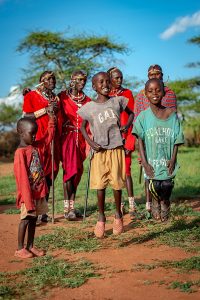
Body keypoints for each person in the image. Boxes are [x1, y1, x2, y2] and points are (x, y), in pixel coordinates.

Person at [78, 72, 134, 238]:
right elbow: (82, 127)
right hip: (99, 151)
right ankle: (101, 217)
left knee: (117, 184)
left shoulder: (117, 101)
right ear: (94, 87)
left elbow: (131, 113)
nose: (105, 84)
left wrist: (126, 126)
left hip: (116, 149)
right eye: (101, 82)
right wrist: (90, 142)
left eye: (108, 81)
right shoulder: (89, 107)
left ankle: (118, 214)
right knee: (100, 185)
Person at [132, 78, 184, 222]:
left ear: (163, 93)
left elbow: (177, 140)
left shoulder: (172, 115)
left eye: (158, 90)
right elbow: (140, 141)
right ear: (145, 94)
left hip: (167, 160)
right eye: (150, 91)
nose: (154, 93)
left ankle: (165, 203)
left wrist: (173, 159)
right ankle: (155, 202)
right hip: (151, 160)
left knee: (166, 185)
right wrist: (145, 163)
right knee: (154, 186)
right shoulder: (143, 117)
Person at [14, 113, 56, 259]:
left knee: (33, 220)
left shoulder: (35, 146)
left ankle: (30, 246)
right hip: (28, 196)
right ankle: (20, 248)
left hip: (37, 193)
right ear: (21, 133)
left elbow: (47, 138)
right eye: (31, 134)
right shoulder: (20, 153)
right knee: (25, 220)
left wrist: (52, 121)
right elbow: (23, 179)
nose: (34, 137)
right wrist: (27, 199)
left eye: (35, 134)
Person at [22, 71, 62, 222]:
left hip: (53, 141)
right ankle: (35, 210)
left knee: (50, 175)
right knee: (38, 175)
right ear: (41, 82)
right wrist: (45, 110)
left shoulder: (56, 98)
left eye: (53, 78)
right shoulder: (31, 95)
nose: (52, 80)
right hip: (38, 140)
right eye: (48, 79)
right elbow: (26, 116)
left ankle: (43, 210)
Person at [58, 70, 91, 220]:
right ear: (72, 80)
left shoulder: (88, 100)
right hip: (67, 139)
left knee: (77, 173)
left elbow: (90, 123)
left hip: (81, 141)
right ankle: (68, 209)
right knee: (69, 172)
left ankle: (72, 205)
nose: (81, 83)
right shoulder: (62, 97)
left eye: (84, 80)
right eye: (78, 80)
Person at [107, 67, 136, 218]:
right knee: (115, 173)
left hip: (126, 137)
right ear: (109, 78)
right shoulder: (106, 94)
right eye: (116, 78)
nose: (119, 80)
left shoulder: (127, 93)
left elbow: (132, 115)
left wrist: (130, 139)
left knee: (127, 171)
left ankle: (132, 204)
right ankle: (120, 204)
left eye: (121, 77)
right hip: (111, 140)